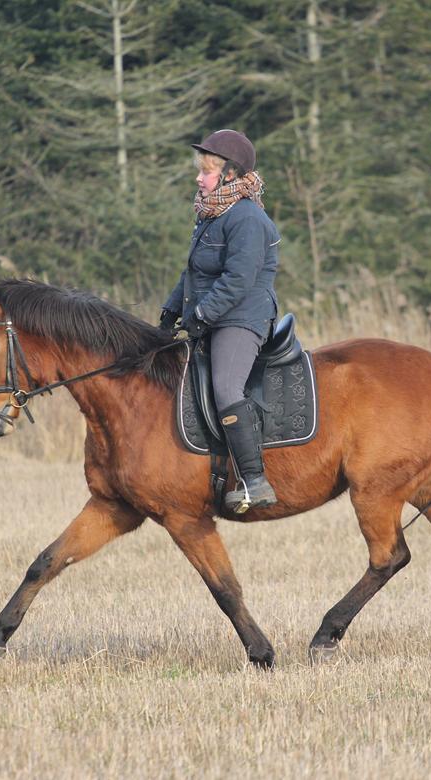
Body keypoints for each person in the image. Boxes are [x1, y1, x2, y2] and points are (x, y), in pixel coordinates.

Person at [160, 129, 280, 512]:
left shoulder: (246, 218)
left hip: (242, 318)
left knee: (227, 387)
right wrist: (171, 310)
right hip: (215, 315)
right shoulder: (212, 216)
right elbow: (194, 272)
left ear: (230, 175)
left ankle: (255, 481)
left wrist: (201, 316)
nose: (199, 178)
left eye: (207, 171)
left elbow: (238, 280)